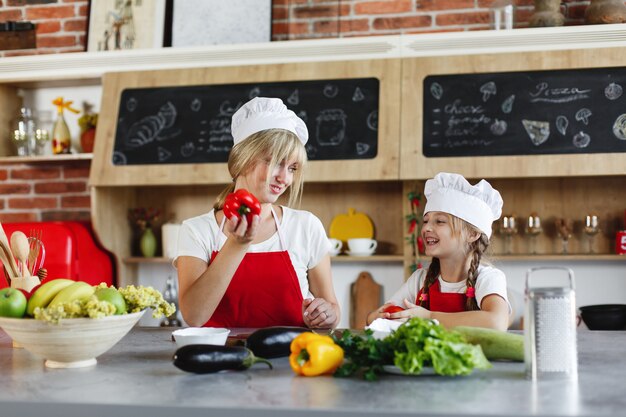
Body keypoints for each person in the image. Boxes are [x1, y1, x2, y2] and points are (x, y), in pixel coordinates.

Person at [175, 97, 340, 329]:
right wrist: (237, 243)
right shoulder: (198, 230)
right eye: (275, 164)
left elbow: (332, 306)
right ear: (244, 159)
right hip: (218, 359)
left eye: (292, 168)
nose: (285, 179)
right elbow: (194, 315)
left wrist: (327, 315)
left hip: (291, 358)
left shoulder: (306, 226)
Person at [367, 172, 510, 330]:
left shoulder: (487, 278)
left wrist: (429, 317)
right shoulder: (419, 280)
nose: (426, 228)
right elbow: (377, 316)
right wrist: (380, 317)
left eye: (440, 221)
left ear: (472, 234)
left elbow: (496, 322)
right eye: (426, 221)